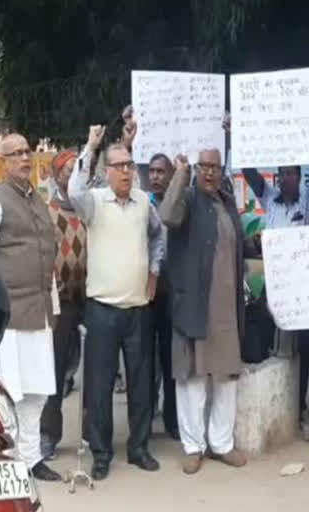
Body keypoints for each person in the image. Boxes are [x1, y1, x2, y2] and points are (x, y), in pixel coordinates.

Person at [69, 127, 166, 481]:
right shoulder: (94, 202)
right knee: (99, 385)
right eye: (118, 166)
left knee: (141, 383)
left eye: (129, 164)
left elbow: (158, 236)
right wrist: (91, 145)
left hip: (138, 309)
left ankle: (139, 449)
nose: (126, 171)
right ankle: (101, 453)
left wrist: (154, 270)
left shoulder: (143, 202)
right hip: (103, 310)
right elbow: (73, 190)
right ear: (106, 171)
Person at [0, 133, 62, 481]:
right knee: (9, 394)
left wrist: (54, 308)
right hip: (6, 319)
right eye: (16, 153)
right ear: (4, 162)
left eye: (27, 151)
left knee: (37, 392)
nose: (24, 158)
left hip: (39, 315)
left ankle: (32, 459)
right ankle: (8, 461)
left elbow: (46, 257)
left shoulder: (38, 200)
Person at [160, 150, 247, 475]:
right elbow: (168, 215)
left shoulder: (225, 201)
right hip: (193, 306)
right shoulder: (185, 198)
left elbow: (234, 244)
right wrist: (180, 174)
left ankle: (221, 444)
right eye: (203, 167)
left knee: (225, 379)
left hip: (225, 308)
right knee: (193, 380)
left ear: (222, 170)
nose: (209, 172)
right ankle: (193, 446)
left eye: (215, 167)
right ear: (196, 169)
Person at [242, 133, 309, 419]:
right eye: (282, 174)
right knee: (268, 337)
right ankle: (273, 399)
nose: (286, 178)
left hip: (303, 287)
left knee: (302, 346)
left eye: (291, 173)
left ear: (298, 176)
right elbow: (251, 175)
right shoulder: (271, 200)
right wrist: (236, 142)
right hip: (275, 284)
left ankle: (301, 406)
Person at [39, 150, 87, 461]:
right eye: (68, 170)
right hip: (62, 304)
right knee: (54, 370)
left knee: (95, 372)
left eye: (77, 170)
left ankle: (93, 436)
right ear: (57, 176)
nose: (72, 175)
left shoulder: (89, 210)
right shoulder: (48, 212)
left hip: (92, 299)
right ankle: (48, 436)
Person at [147, 153, 179, 440]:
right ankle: (144, 419)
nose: (155, 176)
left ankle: (172, 419)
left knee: (171, 360)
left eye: (161, 171)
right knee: (145, 360)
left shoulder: (179, 204)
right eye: (152, 171)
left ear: (171, 175)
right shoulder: (141, 205)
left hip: (172, 293)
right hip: (145, 293)